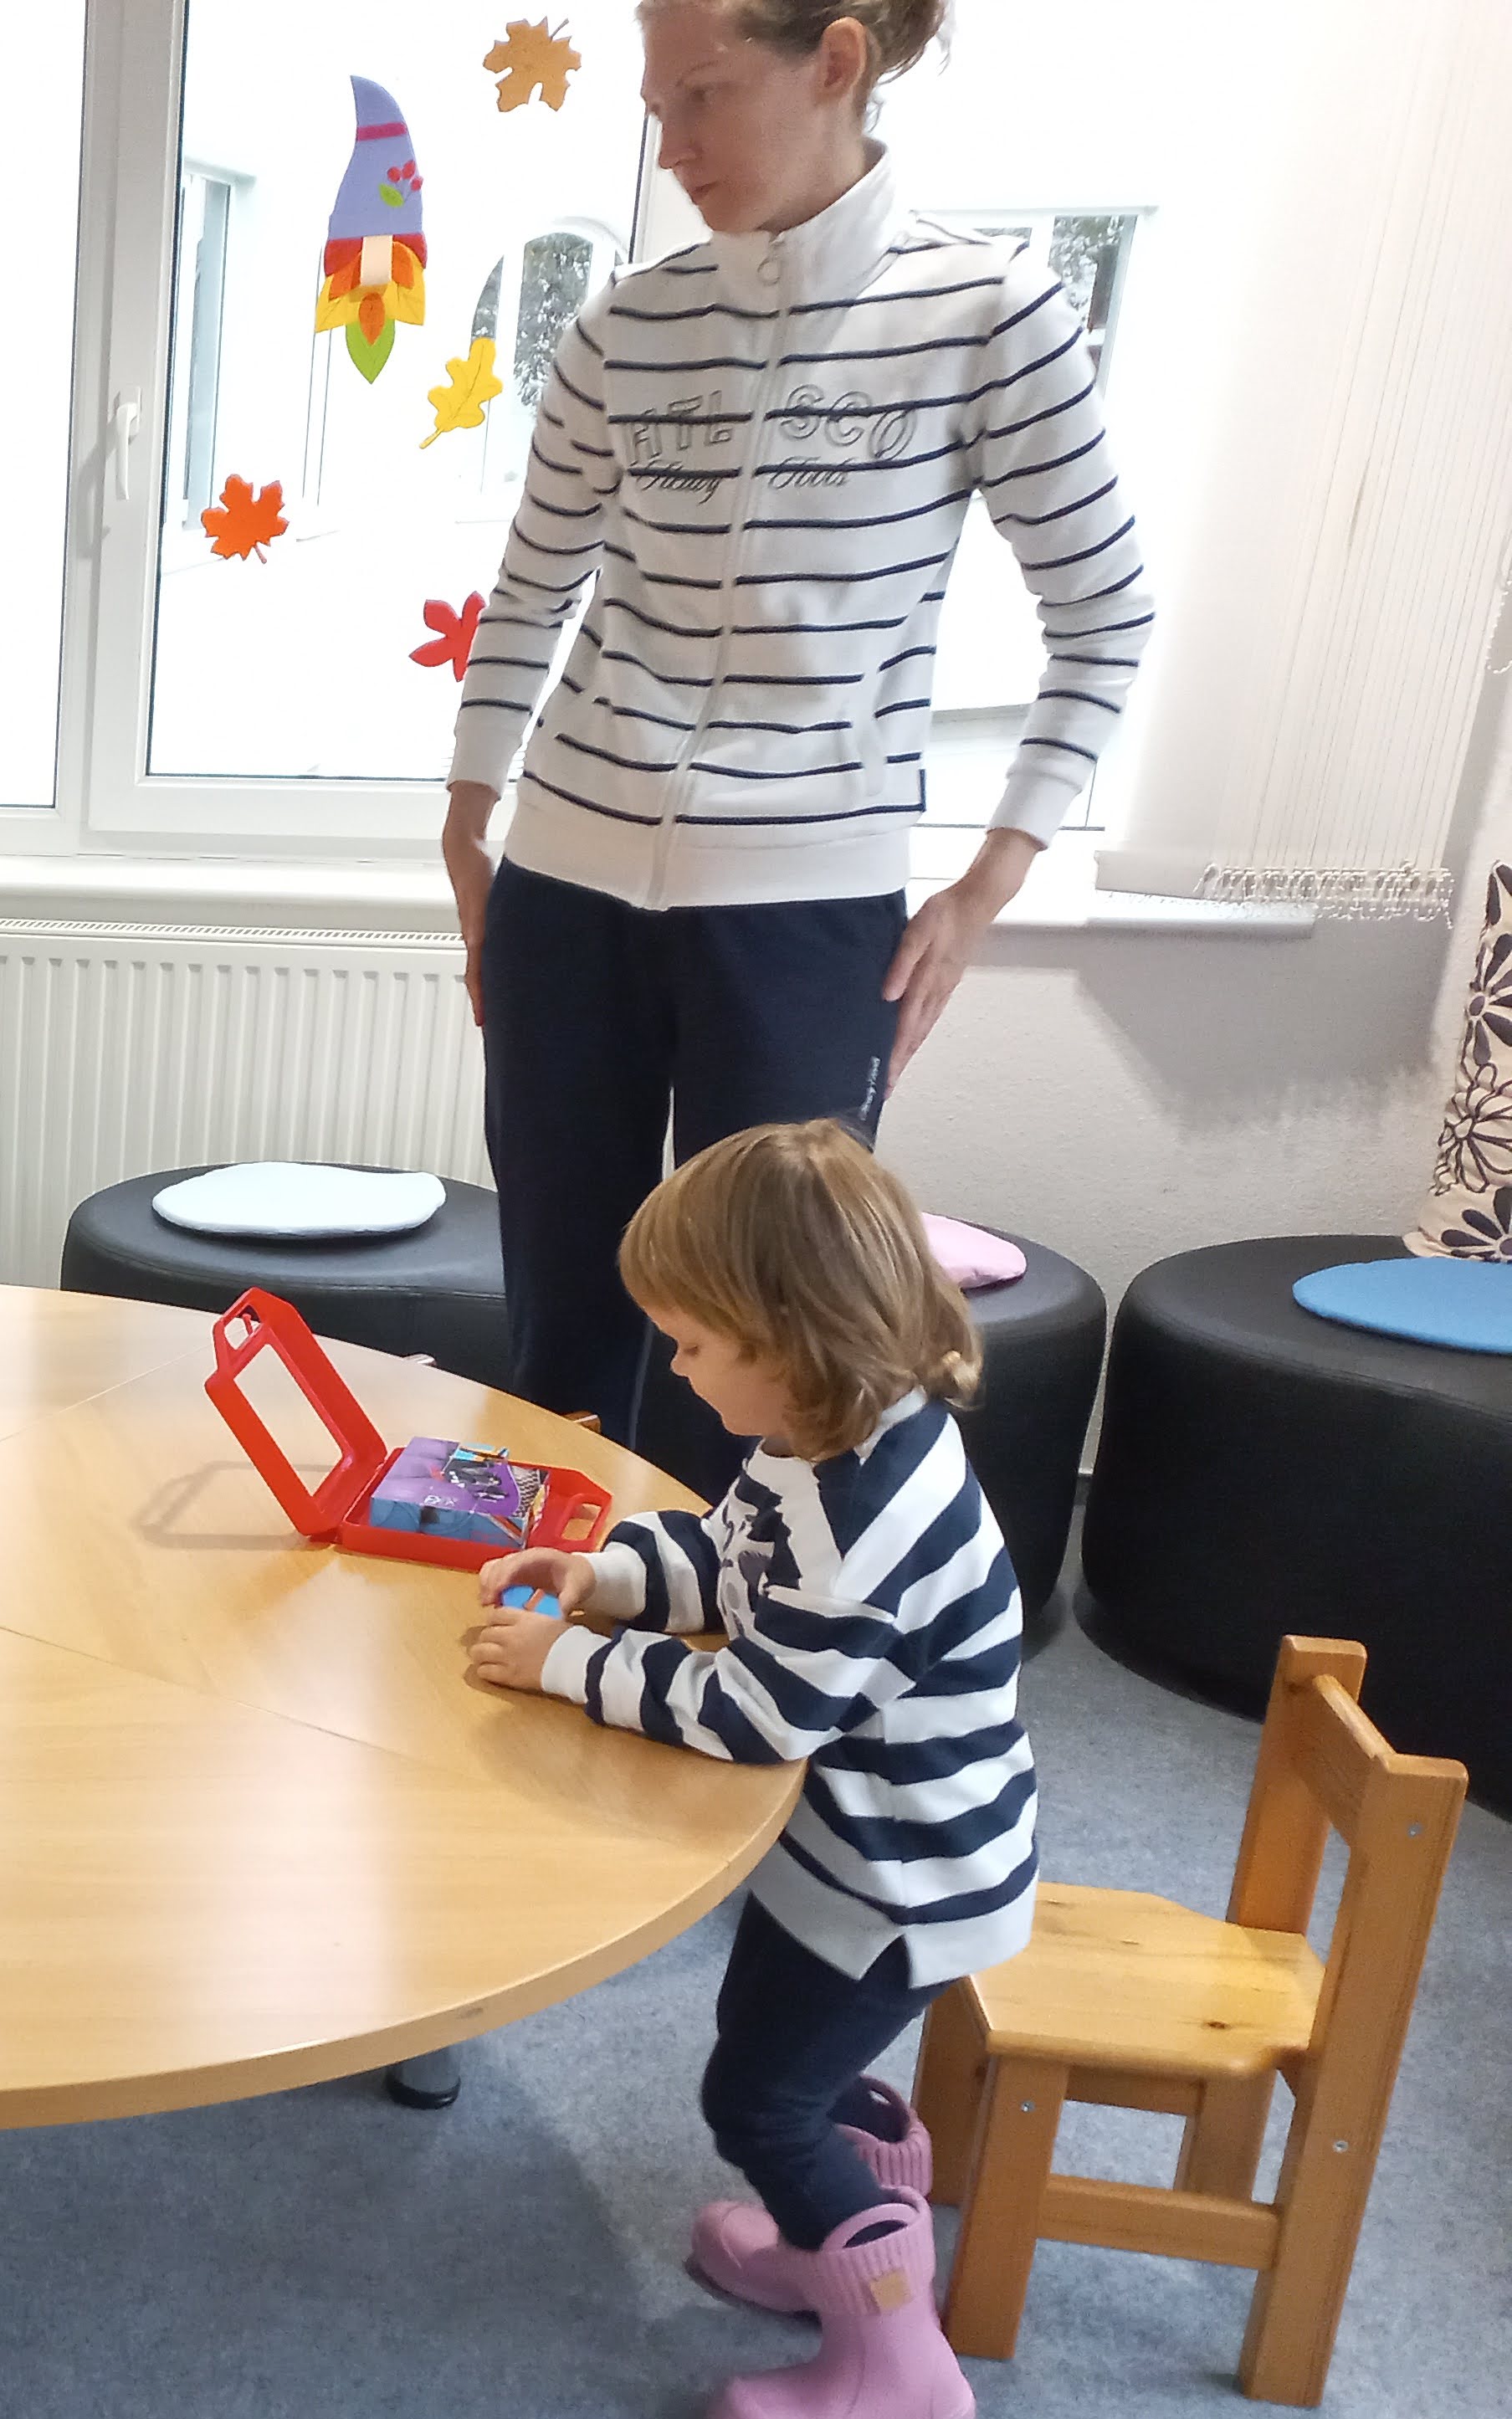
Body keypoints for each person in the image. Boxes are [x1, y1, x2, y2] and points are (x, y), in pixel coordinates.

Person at [441, 0, 1150, 1447]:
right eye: (656, 109)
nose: (672, 147)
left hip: (806, 910)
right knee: (563, 1309)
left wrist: (984, 885)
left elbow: (1103, 614)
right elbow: (526, 595)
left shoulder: (988, 315)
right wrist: (465, 824)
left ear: (833, 62)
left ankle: (730, 1594)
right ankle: (553, 1577)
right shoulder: (623, 325)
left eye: (701, 97)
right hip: (563, 887)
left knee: (767, 1329)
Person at [463, 1120, 1031, 2419]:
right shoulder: (812, 1438)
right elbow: (729, 1566)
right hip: (847, 1850)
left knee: (759, 2100)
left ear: (793, 1340)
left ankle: (899, 2362)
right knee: (780, 2062)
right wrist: (604, 1577)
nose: (671, 1366)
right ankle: (831, 2231)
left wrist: (567, 1662)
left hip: (897, 1879)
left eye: (692, 1344)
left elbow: (760, 1711)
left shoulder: (862, 1521)